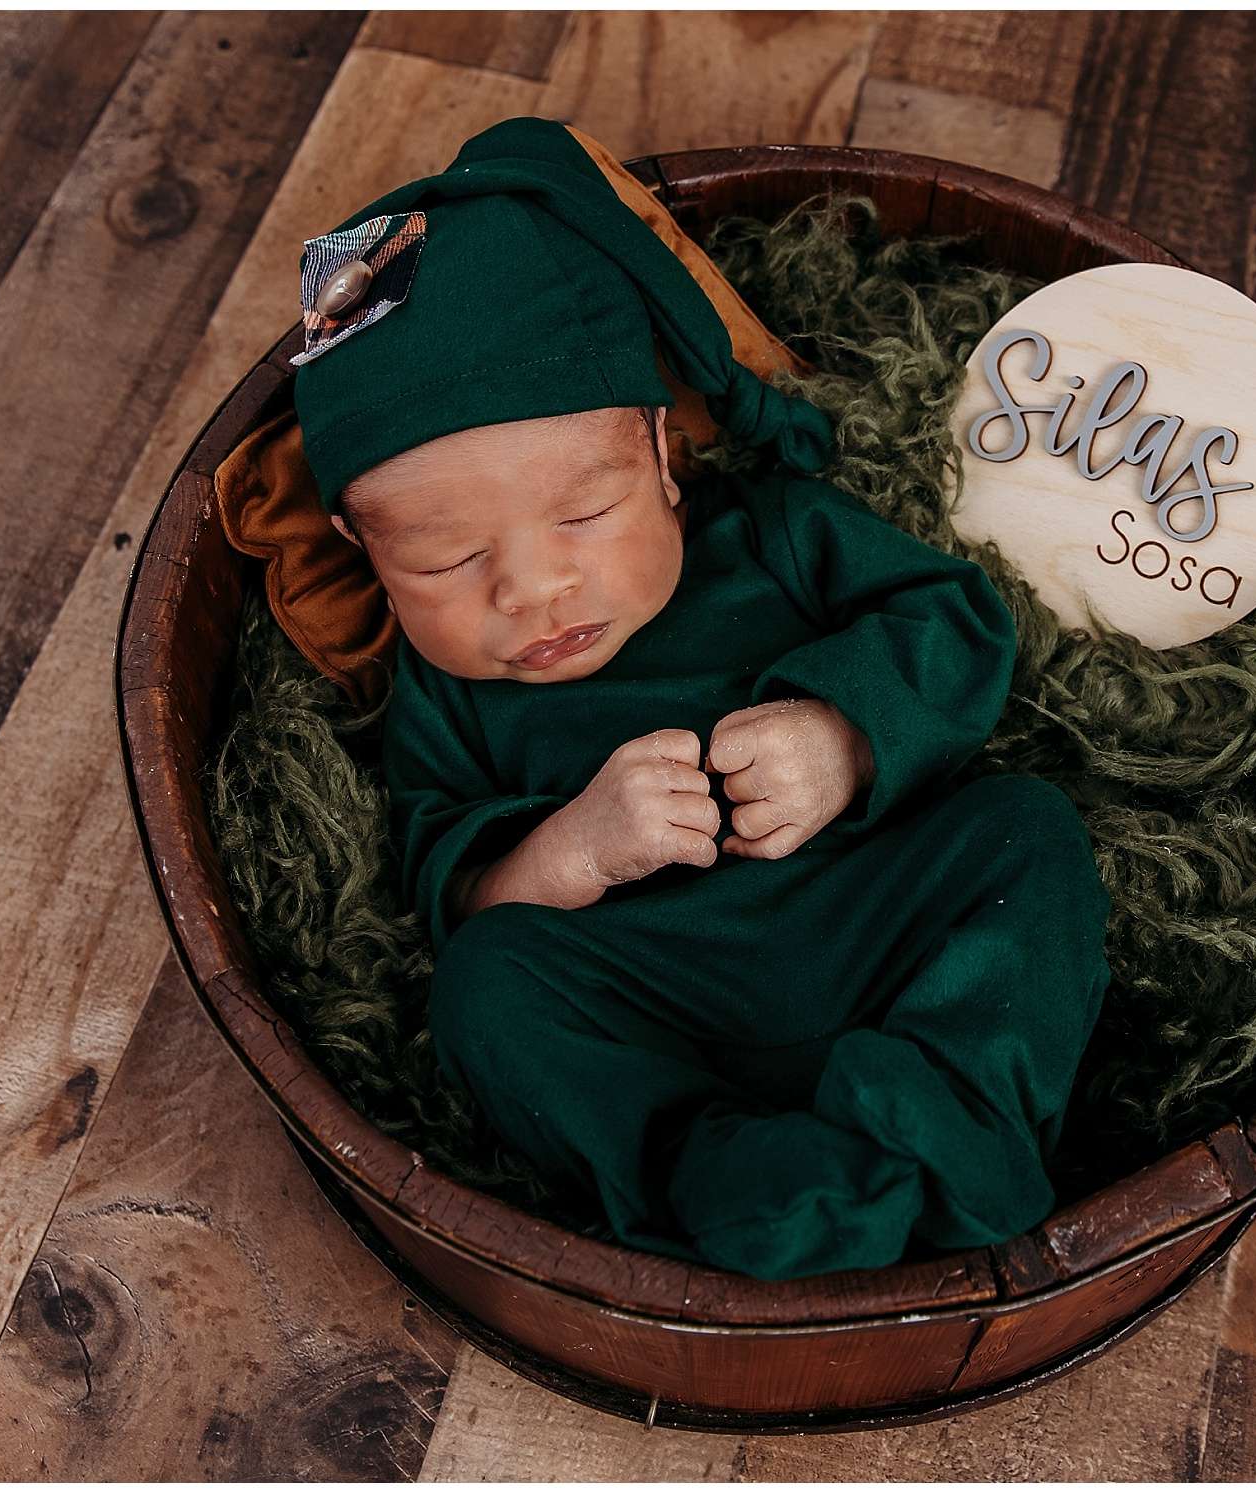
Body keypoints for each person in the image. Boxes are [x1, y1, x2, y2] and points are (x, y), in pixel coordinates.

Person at [293, 116, 1112, 1280]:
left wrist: (839, 735)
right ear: (358, 547)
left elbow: (957, 624)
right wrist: (571, 849)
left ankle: (938, 1110)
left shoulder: (773, 535)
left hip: (863, 917)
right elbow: (459, 898)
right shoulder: (447, 691)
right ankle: (716, 1166)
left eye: (582, 514)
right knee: (485, 994)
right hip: (650, 991)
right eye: (438, 559)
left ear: (665, 455)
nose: (530, 589)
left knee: (1024, 835)